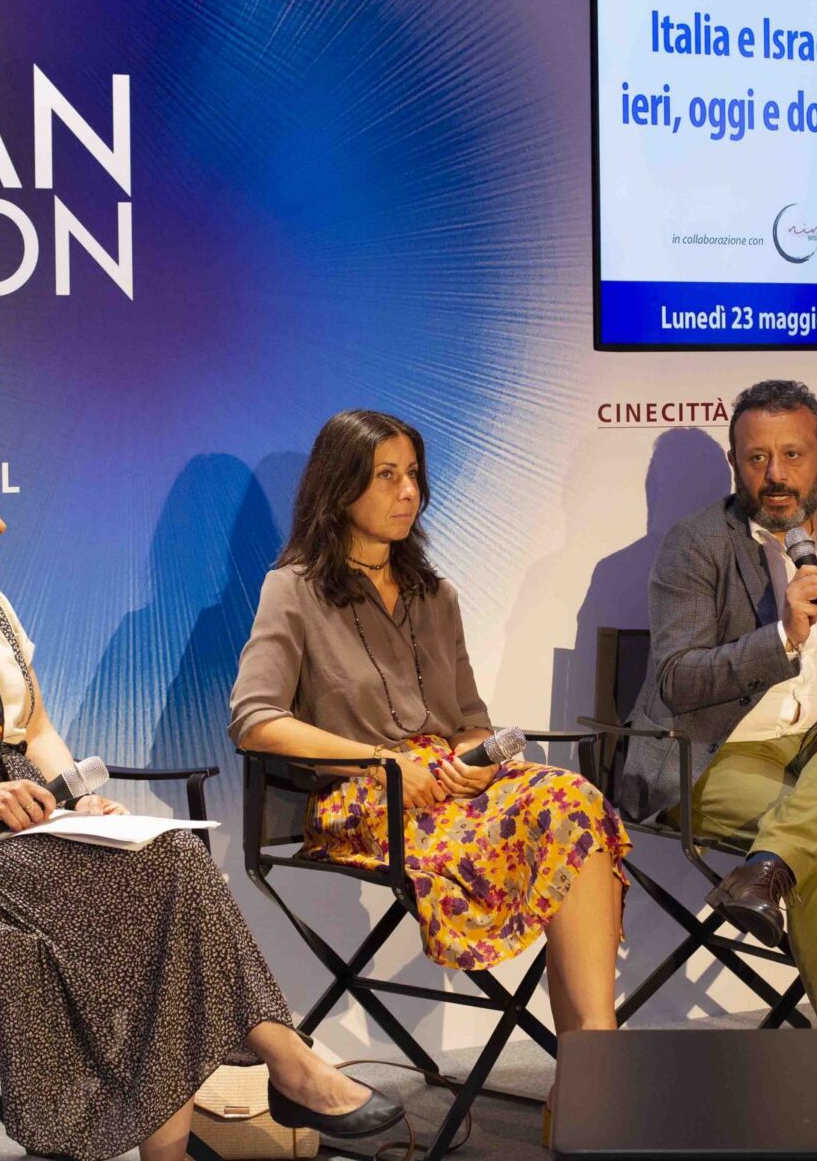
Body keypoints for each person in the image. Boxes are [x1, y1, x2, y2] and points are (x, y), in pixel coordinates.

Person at [0, 431, 402, 1161]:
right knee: (153, 896)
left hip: (30, 817)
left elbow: (37, 730)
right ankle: (286, 1066)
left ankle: (261, 1080)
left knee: (171, 856)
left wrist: (75, 799)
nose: (0, 524)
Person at [230, 409, 629, 1039]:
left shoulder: (436, 595)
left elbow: (471, 721)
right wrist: (385, 763)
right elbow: (254, 721)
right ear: (340, 487)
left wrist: (478, 762)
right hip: (365, 793)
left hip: (450, 784)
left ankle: (592, 1055)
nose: (409, 491)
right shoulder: (294, 590)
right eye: (386, 475)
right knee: (559, 822)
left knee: (573, 803)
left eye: (413, 474)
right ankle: (596, 1065)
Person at [619, 379, 817, 1029]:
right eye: (757, 457)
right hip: (714, 756)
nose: (776, 475)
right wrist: (783, 636)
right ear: (736, 462)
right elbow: (675, 680)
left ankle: (768, 867)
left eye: (793, 455)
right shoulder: (696, 543)